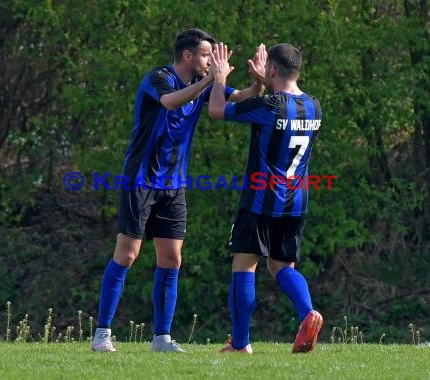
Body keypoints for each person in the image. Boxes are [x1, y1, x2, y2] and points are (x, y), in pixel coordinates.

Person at [91, 29, 265, 353]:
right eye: (205, 55)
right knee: (127, 255)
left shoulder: (202, 82)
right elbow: (170, 103)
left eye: (213, 57)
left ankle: (162, 339)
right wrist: (209, 81)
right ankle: (102, 333)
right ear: (187, 56)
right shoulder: (158, 78)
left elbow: (242, 98)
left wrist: (259, 81)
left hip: (174, 186)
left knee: (172, 259)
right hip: (140, 180)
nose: (211, 61)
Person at [208, 42, 323, 353]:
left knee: (244, 265)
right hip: (296, 200)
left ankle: (240, 344)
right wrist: (263, 82)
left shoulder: (269, 106)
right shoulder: (314, 106)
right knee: (282, 266)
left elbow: (217, 110)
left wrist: (219, 78)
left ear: (272, 69)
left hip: (262, 198)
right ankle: (309, 313)